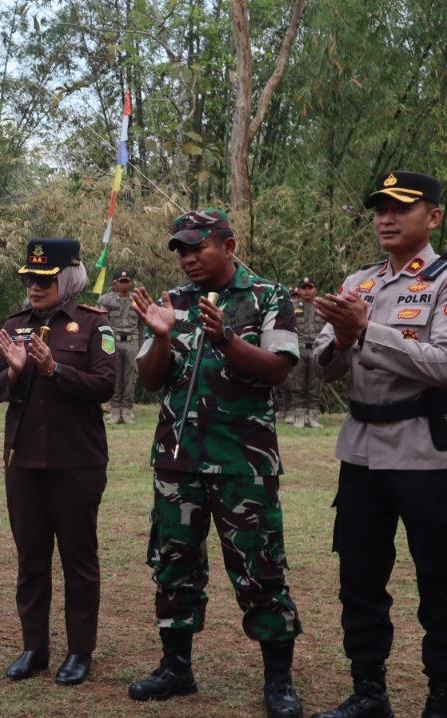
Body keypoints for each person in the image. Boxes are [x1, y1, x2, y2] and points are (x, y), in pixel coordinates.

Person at [127, 209, 303, 718]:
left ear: (228, 245)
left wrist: (227, 337)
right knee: (174, 566)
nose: (186, 259)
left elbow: (278, 371)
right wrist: (161, 336)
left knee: (260, 570)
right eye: (180, 250)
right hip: (177, 463)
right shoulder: (173, 303)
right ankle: (176, 668)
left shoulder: (269, 297)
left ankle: (278, 682)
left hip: (242, 464)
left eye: (196, 247)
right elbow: (152, 380)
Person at [311, 171, 447, 718]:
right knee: (360, 578)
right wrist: (343, 338)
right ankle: (369, 693)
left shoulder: (442, 282)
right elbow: (322, 367)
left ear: (433, 216)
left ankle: (440, 697)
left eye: (399, 208)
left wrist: (369, 332)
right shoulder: (357, 282)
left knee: (438, 580)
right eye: (379, 209)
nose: (385, 218)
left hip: (425, 454)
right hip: (361, 452)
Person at [0, 237, 116, 687]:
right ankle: (34, 647)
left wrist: (54, 370)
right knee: (31, 558)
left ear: (68, 278)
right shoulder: (14, 325)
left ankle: (80, 651)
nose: (35, 288)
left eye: (45, 279)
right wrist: (16, 370)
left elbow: (104, 385)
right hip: (24, 461)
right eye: (30, 279)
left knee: (79, 559)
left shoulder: (94, 324)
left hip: (76, 461)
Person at [98, 269, 144, 424]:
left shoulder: (138, 300)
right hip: (113, 341)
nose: (124, 284)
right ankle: (115, 409)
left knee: (131, 376)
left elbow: (142, 325)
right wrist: (103, 346)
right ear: (114, 283)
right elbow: (101, 323)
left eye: (127, 281)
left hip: (132, 341)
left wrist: (142, 346)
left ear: (131, 283)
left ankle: (127, 410)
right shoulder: (106, 300)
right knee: (114, 375)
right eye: (121, 281)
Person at [288, 277, 325, 428]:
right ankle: (299, 416)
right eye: (304, 288)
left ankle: (313, 416)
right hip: (299, 348)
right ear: (299, 290)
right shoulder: (291, 306)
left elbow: (331, 328)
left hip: (317, 349)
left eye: (310, 287)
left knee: (315, 384)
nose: (307, 291)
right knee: (298, 384)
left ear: (315, 290)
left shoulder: (323, 306)